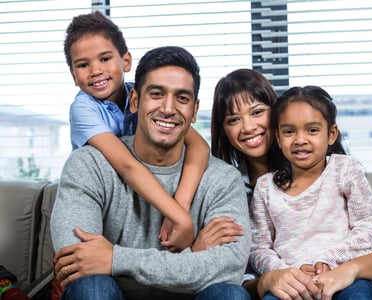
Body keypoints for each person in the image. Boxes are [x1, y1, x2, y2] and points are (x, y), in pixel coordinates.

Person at [50, 46, 251, 300]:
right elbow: (77, 262)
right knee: (92, 287)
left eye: (182, 98)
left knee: (230, 295)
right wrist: (193, 257)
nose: (168, 108)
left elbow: (228, 270)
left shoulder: (222, 179)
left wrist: (115, 258)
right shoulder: (88, 165)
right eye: (156, 94)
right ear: (134, 100)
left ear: (194, 110)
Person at [210, 69, 372, 300]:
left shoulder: (337, 169)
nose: (248, 126)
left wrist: (337, 266)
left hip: (342, 278)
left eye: (258, 112)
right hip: (283, 286)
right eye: (233, 119)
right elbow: (247, 257)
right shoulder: (234, 188)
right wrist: (277, 275)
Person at [64, 11, 211, 250]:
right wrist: (180, 218)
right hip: (94, 194)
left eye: (104, 59)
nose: (95, 71)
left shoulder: (143, 96)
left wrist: (182, 204)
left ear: (126, 61)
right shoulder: (83, 108)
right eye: (83, 65)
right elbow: (127, 166)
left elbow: (199, 145)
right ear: (73, 75)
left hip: (131, 197)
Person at [249, 85, 372, 300]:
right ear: (277, 137)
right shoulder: (265, 187)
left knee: (360, 294)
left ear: (331, 134)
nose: (300, 139)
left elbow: (370, 227)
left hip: (343, 277)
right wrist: (286, 272)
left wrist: (328, 262)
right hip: (292, 284)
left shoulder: (345, 170)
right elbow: (258, 248)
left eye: (312, 130)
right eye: (289, 131)